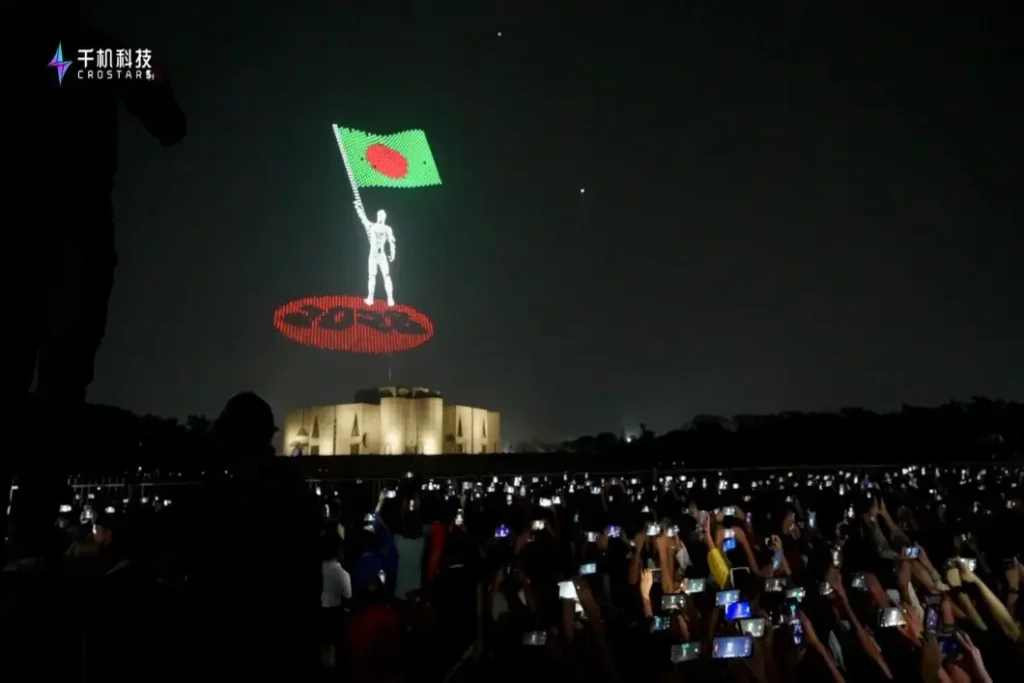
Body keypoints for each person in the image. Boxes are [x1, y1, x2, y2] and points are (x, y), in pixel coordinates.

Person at [5, 0, 186, 562]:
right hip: (70, 234)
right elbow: (168, 122)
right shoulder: (83, 53)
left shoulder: (66, 52)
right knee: (61, 382)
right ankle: (32, 525)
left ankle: (31, 523)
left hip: (29, 234)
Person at [354, 200, 396, 306]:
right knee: (377, 276)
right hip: (376, 255)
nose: (380, 218)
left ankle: (387, 298)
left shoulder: (382, 228)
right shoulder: (380, 228)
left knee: (381, 276)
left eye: (380, 216)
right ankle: (375, 298)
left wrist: (392, 253)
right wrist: (358, 209)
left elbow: (392, 242)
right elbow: (363, 219)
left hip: (378, 256)